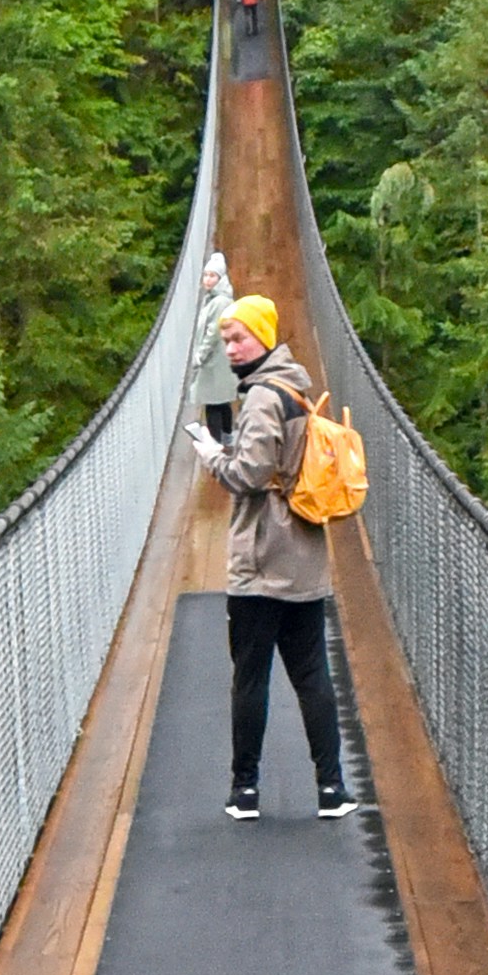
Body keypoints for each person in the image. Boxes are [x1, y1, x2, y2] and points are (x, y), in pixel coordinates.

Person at [195, 292, 352, 818]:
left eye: (239, 338)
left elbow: (249, 474)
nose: (232, 349)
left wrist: (212, 456)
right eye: (226, 341)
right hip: (304, 553)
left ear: (263, 337)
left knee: (251, 677)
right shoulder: (295, 388)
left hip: (262, 560)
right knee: (312, 674)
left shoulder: (263, 396)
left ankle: (245, 790)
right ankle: (332, 789)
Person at [185, 245, 240, 453]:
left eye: (212, 276)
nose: (207, 280)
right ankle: (227, 438)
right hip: (220, 360)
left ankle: (215, 445)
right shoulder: (217, 299)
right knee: (222, 400)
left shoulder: (219, 302)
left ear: (220, 278)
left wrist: (200, 356)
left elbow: (213, 333)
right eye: (206, 275)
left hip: (215, 361)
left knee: (212, 402)